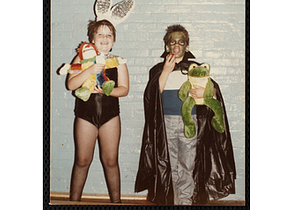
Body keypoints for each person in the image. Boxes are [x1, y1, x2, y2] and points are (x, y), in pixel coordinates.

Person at [135, 24, 236, 205]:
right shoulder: (158, 69)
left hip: (190, 122)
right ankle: (172, 200)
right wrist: (166, 70)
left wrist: (206, 92)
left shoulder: (195, 68)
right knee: (169, 163)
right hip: (166, 123)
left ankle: (185, 201)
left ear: (187, 46)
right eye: (172, 42)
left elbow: (213, 89)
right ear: (167, 46)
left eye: (181, 42)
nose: (176, 45)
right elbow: (153, 94)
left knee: (188, 164)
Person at [67, 19, 129, 202]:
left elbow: (124, 89)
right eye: (100, 34)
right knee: (82, 161)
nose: (104, 38)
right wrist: (90, 70)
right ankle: (74, 201)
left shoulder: (118, 61)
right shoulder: (80, 58)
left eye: (109, 34)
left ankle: (116, 202)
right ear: (92, 39)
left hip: (110, 117)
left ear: (114, 40)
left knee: (111, 161)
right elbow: (71, 84)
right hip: (85, 116)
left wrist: (107, 91)